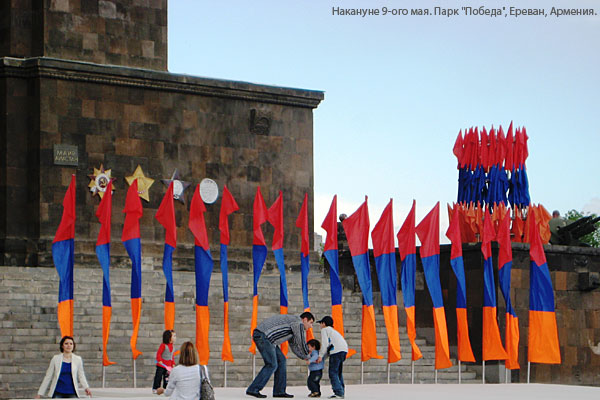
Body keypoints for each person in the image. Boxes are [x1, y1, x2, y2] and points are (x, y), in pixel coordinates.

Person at [246, 311, 314, 399]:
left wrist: (304, 357)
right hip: (263, 336)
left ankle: (279, 391)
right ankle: (253, 389)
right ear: (304, 319)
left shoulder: (294, 326)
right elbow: (301, 341)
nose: (311, 326)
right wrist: (307, 354)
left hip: (268, 338)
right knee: (272, 364)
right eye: (310, 323)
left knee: (281, 360)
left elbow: (294, 346)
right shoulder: (298, 323)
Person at [316, 316, 348, 399]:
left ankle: (338, 392)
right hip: (343, 350)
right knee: (338, 372)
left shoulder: (324, 330)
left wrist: (320, 356)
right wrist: (323, 357)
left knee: (333, 372)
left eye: (320, 323)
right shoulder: (333, 331)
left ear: (324, 323)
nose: (320, 326)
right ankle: (341, 391)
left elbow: (325, 344)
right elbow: (329, 347)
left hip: (336, 352)